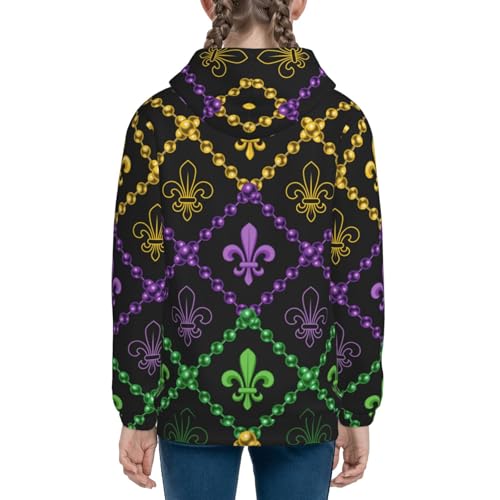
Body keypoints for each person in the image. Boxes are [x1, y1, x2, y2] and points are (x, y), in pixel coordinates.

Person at [110, 0, 385, 498]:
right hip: (305, 396)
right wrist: (356, 404)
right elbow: (358, 276)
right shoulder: (342, 124)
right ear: (297, 4)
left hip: (192, 395)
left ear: (208, 3)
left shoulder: (157, 122)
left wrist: (137, 408)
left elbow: (137, 279)